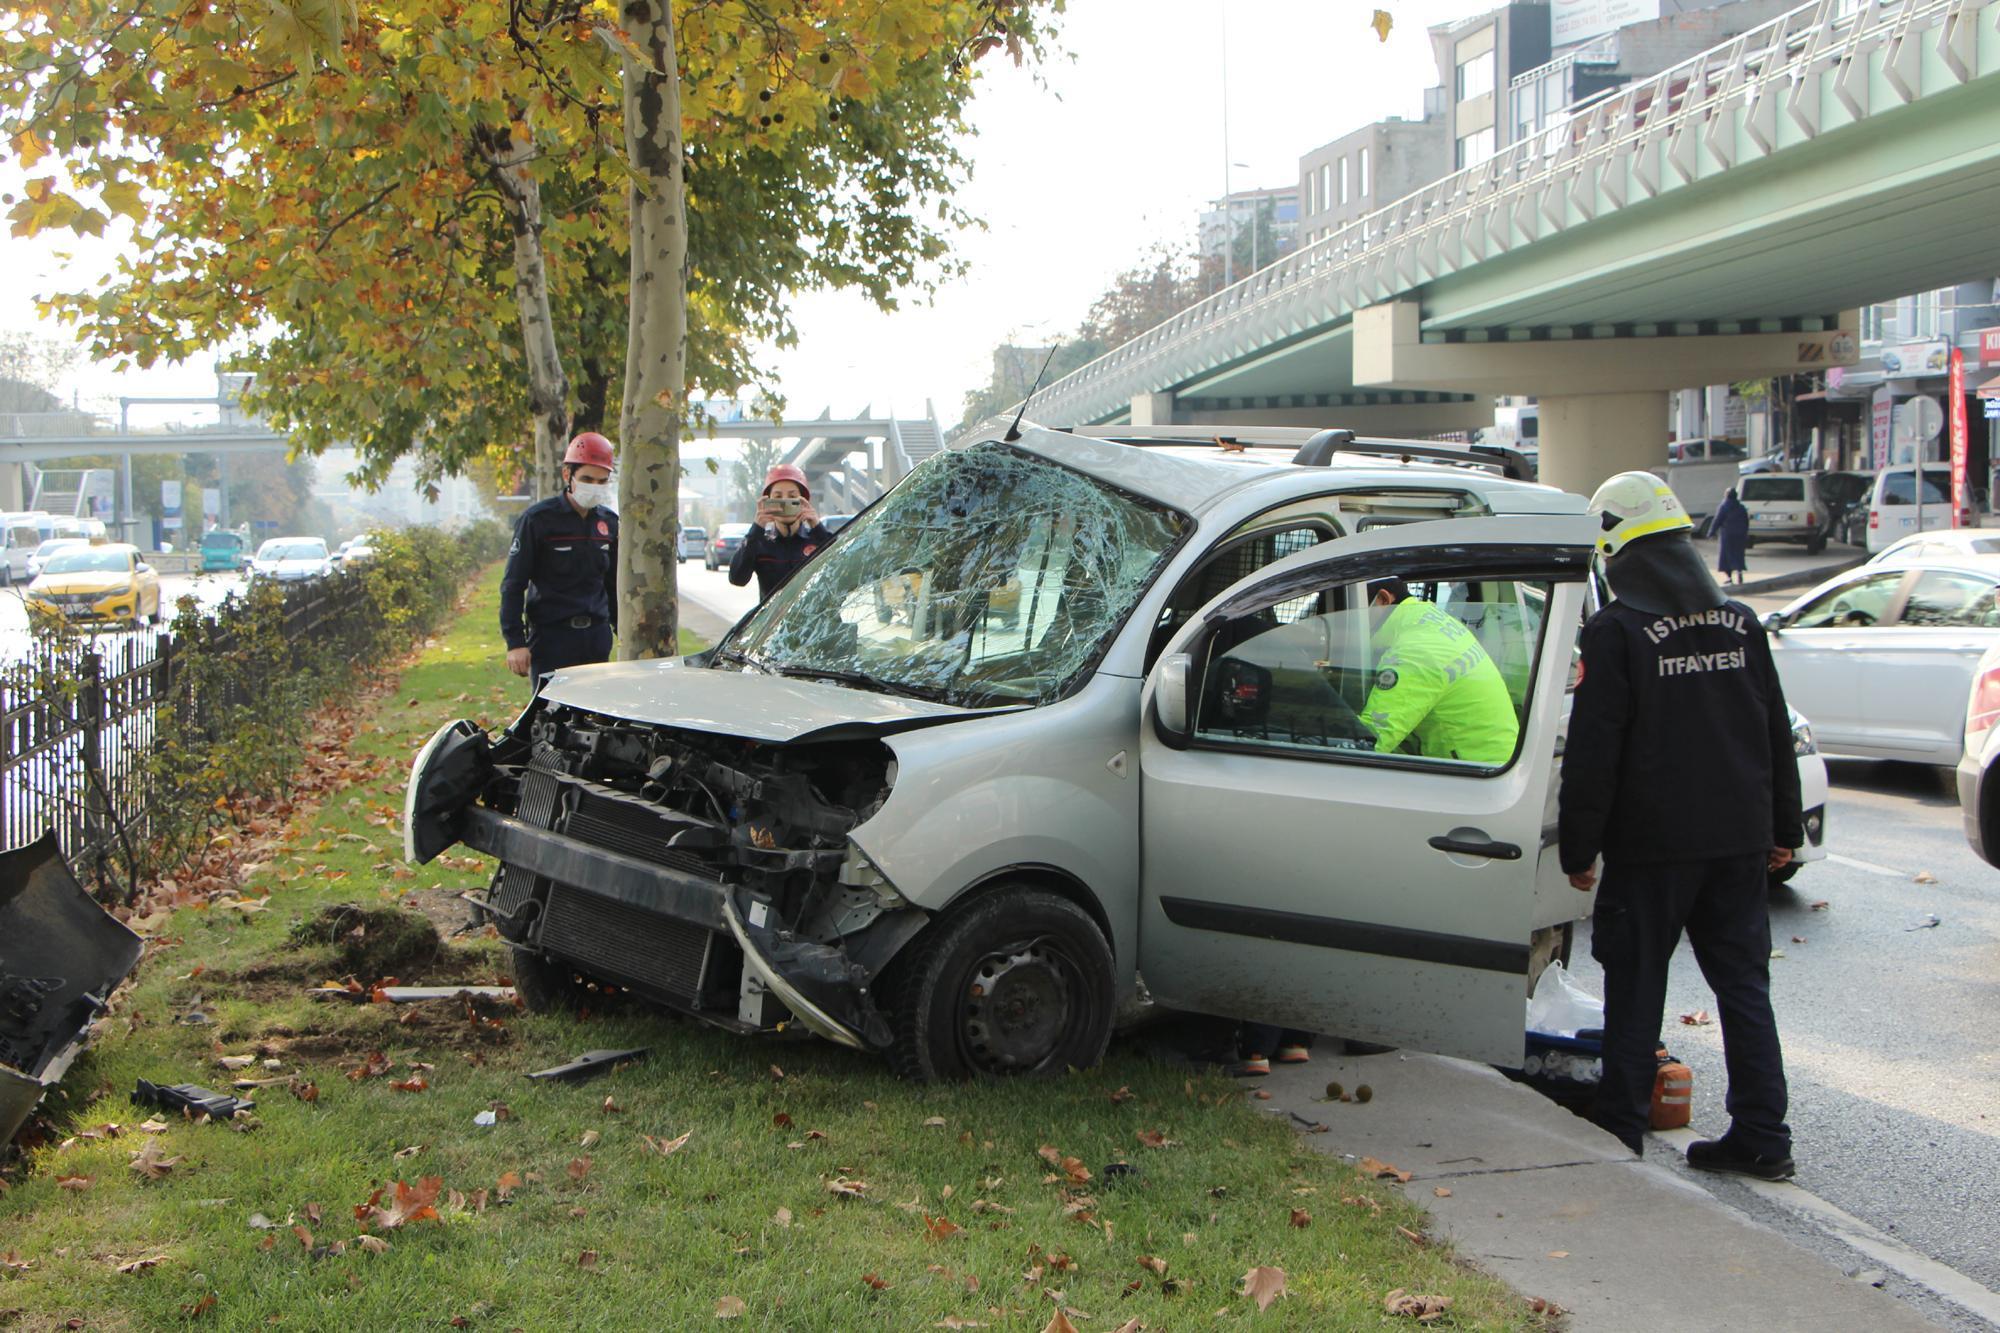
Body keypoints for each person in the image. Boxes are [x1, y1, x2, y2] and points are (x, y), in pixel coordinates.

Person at [1558, 471, 1802, 1179]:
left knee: (1635, 990)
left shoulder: (1617, 632)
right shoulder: (1741, 622)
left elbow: (1595, 754)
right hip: (1737, 843)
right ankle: (1764, 1135)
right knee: (1745, 989)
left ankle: (1621, 1132)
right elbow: (1772, 733)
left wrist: (1580, 847)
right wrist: (1785, 827)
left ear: (1619, 552)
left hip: (1652, 850)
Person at [500, 431, 619, 688]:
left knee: (596, 718)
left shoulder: (609, 523)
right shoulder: (538, 520)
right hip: (552, 639)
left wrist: (625, 633)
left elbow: (613, 585)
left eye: (602, 481)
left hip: (596, 638)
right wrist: (515, 643)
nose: (594, 487)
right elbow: (513, 584)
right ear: (568, 475)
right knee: (548, 719)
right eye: (587, 479)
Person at [1357, 577, 1520, 764]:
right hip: (1492, 760)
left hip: (1474, 772)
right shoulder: (1431, 624)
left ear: (1383, 599)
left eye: (1352, 612)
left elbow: (1371, 740)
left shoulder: (1416, 650)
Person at [731, 463, 835, 603]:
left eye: (792, 496)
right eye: (778, 497)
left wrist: (817, 526)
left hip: (814, 622)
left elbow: (843, 570)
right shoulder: (760, 543)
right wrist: (756, 529)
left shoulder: (818, 540)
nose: (785, 502)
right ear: (768, 502)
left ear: (803, 501)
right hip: (774, 623)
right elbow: (737, 578)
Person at [1713, 486, 1749, 586]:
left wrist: (1711, 532)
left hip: (1727, 535)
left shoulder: (1724, 506)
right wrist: (1745, 533)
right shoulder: (1741, 507)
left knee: (1726, 556)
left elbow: (1718, 520)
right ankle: (1739, 571)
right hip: (1739, 536)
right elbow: (1746, 522)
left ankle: (1729, 577)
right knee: (1738, 554)